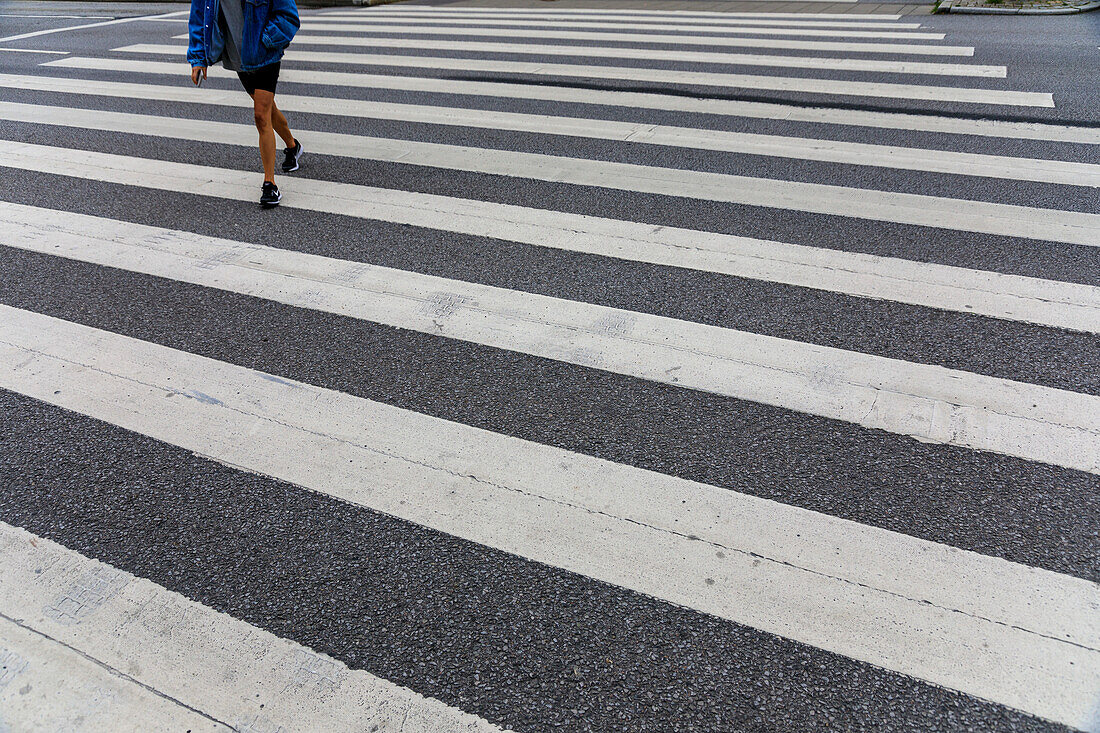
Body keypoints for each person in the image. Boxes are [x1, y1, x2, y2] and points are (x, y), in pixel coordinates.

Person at [187, 0, 301, 208]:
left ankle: (270, 184)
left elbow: (289, 17)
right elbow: (199, 16)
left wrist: (266, 40)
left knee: (260, 115)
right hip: (239, 57)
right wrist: (197, 58)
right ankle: (293, 146)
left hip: (266, 54)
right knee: (268, 110)